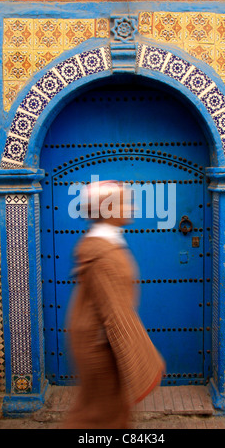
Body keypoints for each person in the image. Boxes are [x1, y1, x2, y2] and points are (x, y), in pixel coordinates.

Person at [62, 180, 165, 429]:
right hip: (99, 347)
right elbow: (115, 313)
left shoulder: (106, 243)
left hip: (100, 341)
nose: (130, 207)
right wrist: (144, 366)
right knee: (99, 417)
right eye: (123, 203)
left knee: (103, 412)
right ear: (106, 209)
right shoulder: (103, 254)